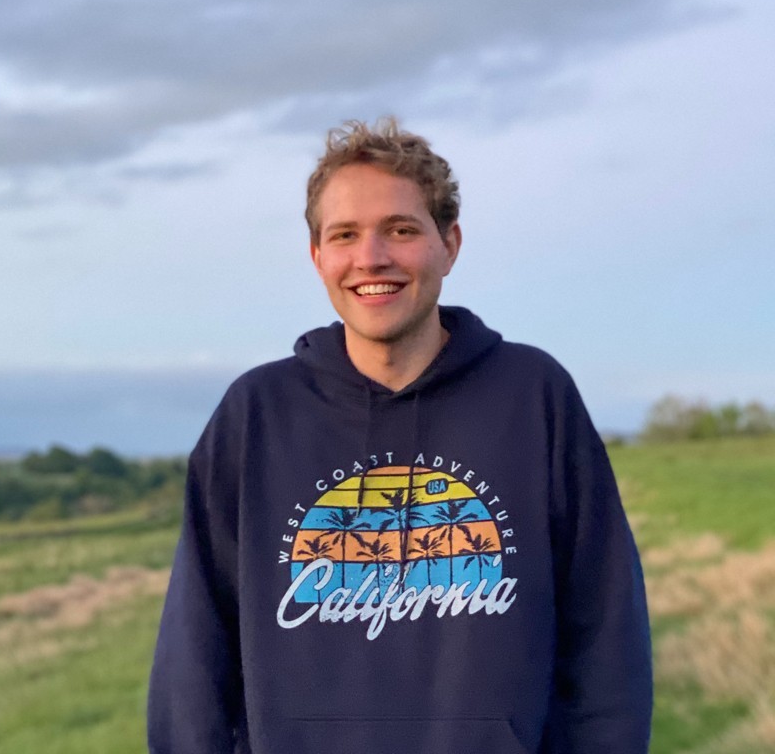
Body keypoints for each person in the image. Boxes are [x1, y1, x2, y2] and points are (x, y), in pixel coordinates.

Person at [148, 118, 652, 754]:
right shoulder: (255, 416)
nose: (371, 258)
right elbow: (195, 656)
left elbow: (606, 638)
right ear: (317, 256)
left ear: (449, 244)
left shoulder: (533, 396)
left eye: (401, 230)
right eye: (345, 235)